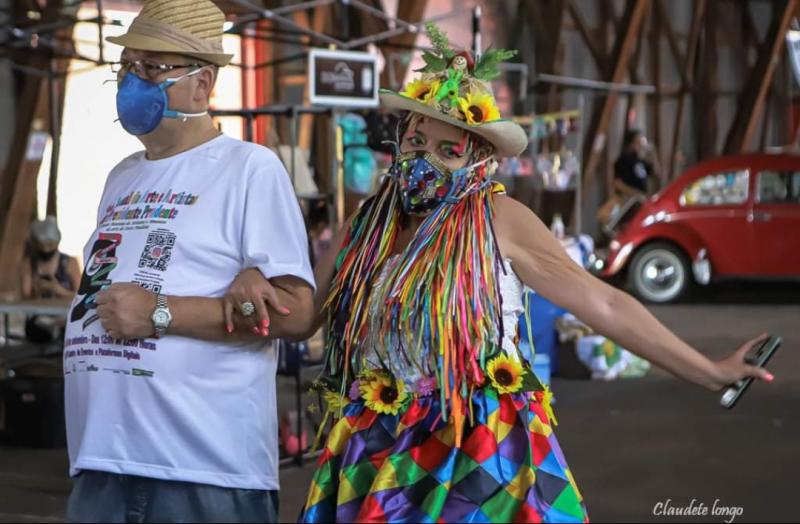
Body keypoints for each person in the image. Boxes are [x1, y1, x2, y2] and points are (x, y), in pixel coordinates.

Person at [225, 25, 774, 523]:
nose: (425, 159)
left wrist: (708, 370)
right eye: (416, 141)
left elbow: (602, 303)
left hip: (479, 442)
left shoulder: (498, 219)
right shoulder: (364, 227)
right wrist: (253, 283)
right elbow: (299, 321)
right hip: (377, 440)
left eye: (448, 149)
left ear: (479, 158)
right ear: (399, 138)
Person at [63, 1, 314, 522]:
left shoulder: (249, 169)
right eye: (126, 67)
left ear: (203, 84)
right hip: (101, 462)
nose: (134, 82)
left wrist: (160, 312)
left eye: (153, 68)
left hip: (202, 471)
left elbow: (296, 312)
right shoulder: (121, 177)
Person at [20, 216, 81, 342]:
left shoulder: (70, 263)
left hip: (66, 317)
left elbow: (81, 296)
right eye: (42, 245)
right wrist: (37, 289)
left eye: (49, 245)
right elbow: (25, 296)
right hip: (40, 318)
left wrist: (58, 289)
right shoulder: (29, 264)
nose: (46, 249)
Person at [613, 129, 660, 199]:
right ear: (631, 144)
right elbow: (617, 184)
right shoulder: (623, 160)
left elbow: (656, 173)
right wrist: (636, 195)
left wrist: (653, 156)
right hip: (630, 201)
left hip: (642, 200)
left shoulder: (640, 161)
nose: (641, 145)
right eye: (638, 142)